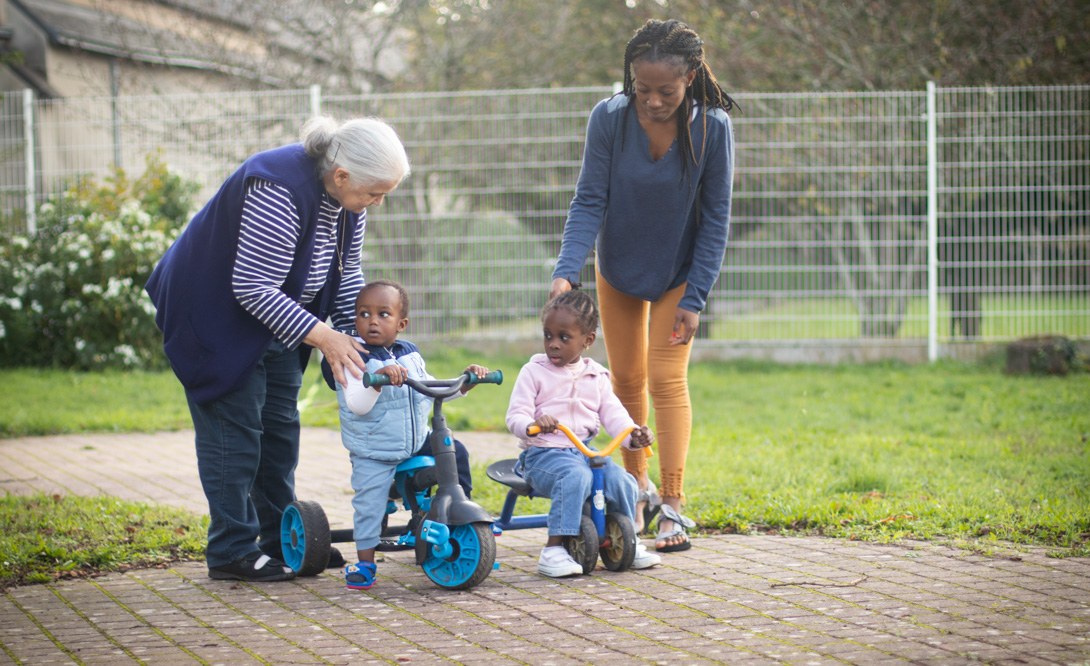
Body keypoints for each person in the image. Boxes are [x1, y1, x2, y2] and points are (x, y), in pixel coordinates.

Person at [145, 116, 410, 582]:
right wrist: (325, 337)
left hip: (282, 319)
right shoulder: (278, 187)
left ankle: (280, 540)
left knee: (279, 433)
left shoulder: (350, 200)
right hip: (215, 315)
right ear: (342, 175)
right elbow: (251, 285)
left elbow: (347, 274)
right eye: (375, 192)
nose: (378, 202)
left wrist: (366, 343)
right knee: (236, 435)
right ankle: (231, 551)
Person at [549, 19, 736, 553]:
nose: (652, 101)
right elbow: (589, 198)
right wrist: (567, 269)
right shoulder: (609, 118)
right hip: (620, 268)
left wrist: (695, 297)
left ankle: (672, 504)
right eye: (642, 88)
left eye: (666, 91)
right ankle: (636, 491)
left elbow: (716, 217)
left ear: (690, 77)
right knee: (626, 381)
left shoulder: (712, 127)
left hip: (679, 271)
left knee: (666, 379)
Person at [334, 279, 489, 590]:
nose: (372, 321)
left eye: (383, 314)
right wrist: (377, 382)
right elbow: (357, 404)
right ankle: (365, 562)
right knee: (370, 501)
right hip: (375, 449)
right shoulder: (353, 355)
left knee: (455, 452)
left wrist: (464, 383)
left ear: (401, 323)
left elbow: (429, 388)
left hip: (416, 441)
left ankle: (461, 518)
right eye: (364, 314)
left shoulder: (410, 353)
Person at [506, 290, 661, 577]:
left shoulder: (596, 376)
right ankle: (553, 550)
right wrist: (533, 424)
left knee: (623, 481)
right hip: (543, 455)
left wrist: (633, 435)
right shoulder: (534, 371)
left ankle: (627, 540)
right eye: (548, 335)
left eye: (564, 337)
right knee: (575, 476)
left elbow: (615, 415)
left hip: (584, 451)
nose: (553, 344)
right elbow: (515, 414)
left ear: (587, 340)